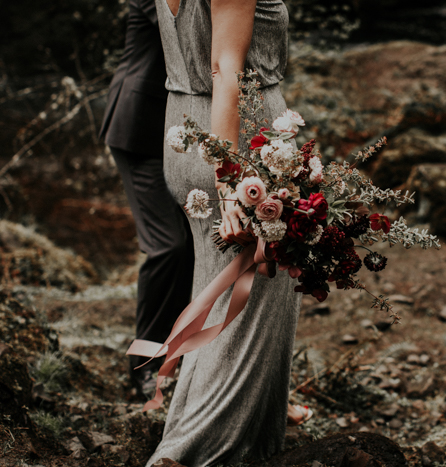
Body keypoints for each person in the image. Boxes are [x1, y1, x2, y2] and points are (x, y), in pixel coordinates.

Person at [146, 0, 307, 464]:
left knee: (217, 297)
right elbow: (224, 68)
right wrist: (228, 178)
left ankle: (219, 434)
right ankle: (191, 452)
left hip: (184, 129)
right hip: (237, 145)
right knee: (249, 306)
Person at [99, 0, 195, 399]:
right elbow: (189, 35)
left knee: (191, 248)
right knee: (169, 247)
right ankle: (144, 364)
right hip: (140, 129)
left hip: (176, 134)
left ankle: (177, 356)